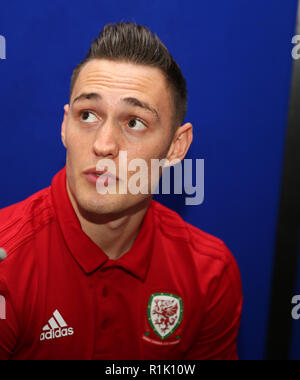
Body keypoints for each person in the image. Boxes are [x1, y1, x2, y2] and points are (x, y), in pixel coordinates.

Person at [0, 22, 242, 360]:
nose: (103, 145)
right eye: (88, 115)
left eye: (134, 122)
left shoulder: (209, 272)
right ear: (65, 127)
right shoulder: (6, 262)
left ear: (175, 146)